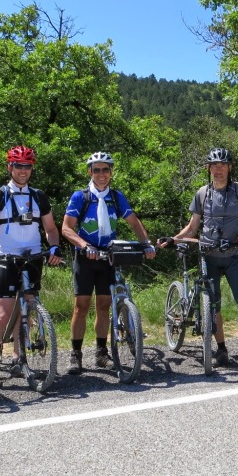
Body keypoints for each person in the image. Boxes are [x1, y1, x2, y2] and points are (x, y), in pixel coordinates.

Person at [159, 147, 238, 373]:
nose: (218, 169)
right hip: (209, 256)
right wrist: (173, 239)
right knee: (214, 305)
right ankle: (221, 350)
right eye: (214, 165)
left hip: (234, 256)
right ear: (208, 168)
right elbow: (192, 227)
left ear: (230, 168)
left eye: (223, 165)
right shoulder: (202, 193)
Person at [0, 146, 63, 376]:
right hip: (4, 257)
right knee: (2, 314)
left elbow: (50, 229)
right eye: (18, 166)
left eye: (27, 166)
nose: (23, 170)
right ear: (10, 167)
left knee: (28, 304)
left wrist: (54, 246)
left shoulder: (38, 196)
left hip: (33, 256)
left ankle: (18, 358)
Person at [61, 151, 156, 375]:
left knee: (104, 306)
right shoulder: (80, 197)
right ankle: (76, 353)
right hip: (86, 257)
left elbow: (134, 222)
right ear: (90, 172)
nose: (101, 174)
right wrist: (85, 246)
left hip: (109, 256)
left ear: (111, 172)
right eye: (97, 170)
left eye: (105, 170)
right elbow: (66, 228)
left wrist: (146, 243)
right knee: (81, 306)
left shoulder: (116, 197)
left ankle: (101, 351)